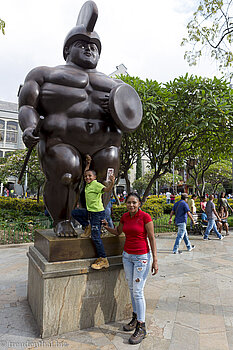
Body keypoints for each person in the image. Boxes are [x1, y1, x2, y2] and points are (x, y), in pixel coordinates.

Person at [18, 1, 142, 237]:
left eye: (94, 47)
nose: (89, 50)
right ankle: (62, 220)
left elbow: (130, 116)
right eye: (81, 44)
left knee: (107, 175)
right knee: (67, 171)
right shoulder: (45, 73)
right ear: (67, 50)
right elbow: (27, 104)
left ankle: (94, 222)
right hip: (61, 141)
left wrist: (116, 108)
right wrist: (29, 127)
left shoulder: (115, 84)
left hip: (105, 144)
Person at [102, 192, 158, 345]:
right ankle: (135, 317)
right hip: (127, 256)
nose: (131, 205)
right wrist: (107, 227)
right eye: (129, 202)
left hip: (142, 258)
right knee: (132, 288)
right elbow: (118, 231)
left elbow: (152, 238)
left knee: (138, 291)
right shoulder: (125, 217)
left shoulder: (145, 217)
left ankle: (142, 326)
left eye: (134, 202)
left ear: (139, 204)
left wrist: (155, 260)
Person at [72, 155, 115, 269]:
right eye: (86, 177)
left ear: (94, 177)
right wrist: (88, 164)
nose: (87, 177)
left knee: (95, 237)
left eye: (90, 176)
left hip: (97, 214)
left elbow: (106, 190)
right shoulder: (88, 184)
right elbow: (86, 172)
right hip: (90, 212)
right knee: (74, 213)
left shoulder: (96, 185)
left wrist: (112, 182)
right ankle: (87, 227)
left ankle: (104, 259)